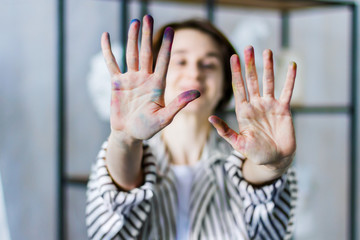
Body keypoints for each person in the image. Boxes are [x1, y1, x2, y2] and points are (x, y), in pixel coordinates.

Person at [86, 15, 297, 240]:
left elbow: (258, 188)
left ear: (226, 84)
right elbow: (112, 214)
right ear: (155, 74)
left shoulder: (247, 158)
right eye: (180, 61)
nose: (195, 73)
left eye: (208, 64)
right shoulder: (124, 158)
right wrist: (125, 138)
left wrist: (271, 167)